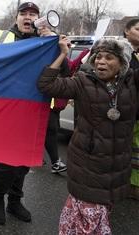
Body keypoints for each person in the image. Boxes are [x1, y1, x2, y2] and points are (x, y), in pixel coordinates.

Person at [38, 35, 137, 234]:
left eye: (109, 57)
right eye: (98, 57)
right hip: (87, 163)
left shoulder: (133, 83)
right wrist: (63, 54)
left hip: (117, 165)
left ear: (123, 62)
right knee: (89, 217)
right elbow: (46, 84)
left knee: (102, 211)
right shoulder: (83, 82)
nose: (101, 61)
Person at [0, 2, 64, 225]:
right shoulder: (2, 36)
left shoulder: (47, 40)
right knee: (8, 158)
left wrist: (56, 43)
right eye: (24, 13)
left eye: (33, 14)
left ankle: (15, 201)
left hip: (34, 108)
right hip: (7, 107)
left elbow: (65, 71)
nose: (28, 17)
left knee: (24, 159)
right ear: (17, 17)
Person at [124, 18, 139, 200]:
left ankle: (135, 186)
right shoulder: (118, 52)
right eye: (137, 29)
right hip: (124, 112)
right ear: (126, 31)